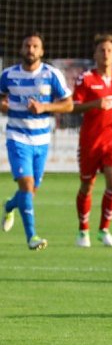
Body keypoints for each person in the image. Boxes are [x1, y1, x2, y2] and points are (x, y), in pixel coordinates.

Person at [0, 33, 73, 250]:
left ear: (42, 51)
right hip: (17, 137)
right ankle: (32, 237)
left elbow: (68, 104)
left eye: (35, 46)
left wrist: (45, 107)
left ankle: (9, 205)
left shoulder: (52, 75)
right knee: (27, 185)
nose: (31, 49)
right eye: (27, 46)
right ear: (21, 49)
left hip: (41, 140)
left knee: (29, 192)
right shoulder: (8, 75)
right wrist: (2, 106)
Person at [71, 34, 112, 248]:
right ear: (95, 55)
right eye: (101, 50)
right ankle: (83, 230)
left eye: (109, 50)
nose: (105, 54)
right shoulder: (85, 79)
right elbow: (73, 106)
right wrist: (95, 104)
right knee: (87, 186)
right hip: (90, 141)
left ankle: (104, 229)